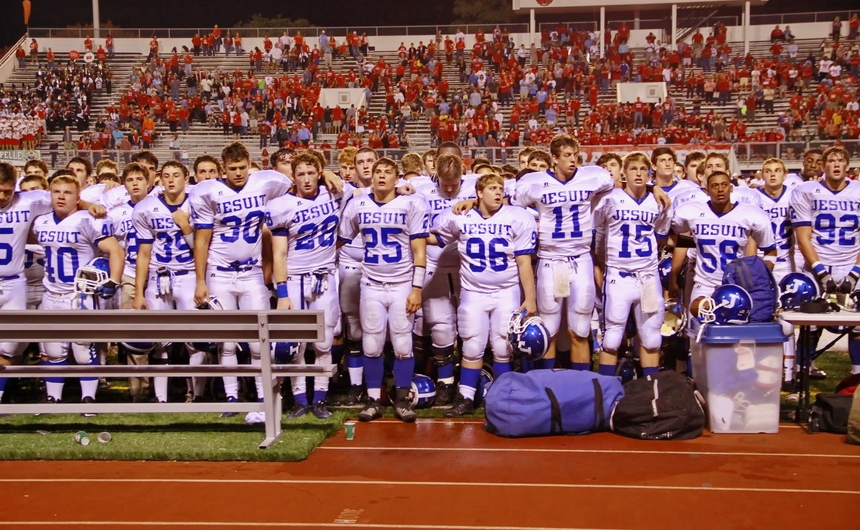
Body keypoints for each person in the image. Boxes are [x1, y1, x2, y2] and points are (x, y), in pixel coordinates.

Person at [189, 142, 291, 419]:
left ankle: (262, 397)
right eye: (232, 169)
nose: (237, 173)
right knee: (227, 342)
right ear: (223, 168)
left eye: (242, 168)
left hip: (252, 273)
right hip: (220, 273)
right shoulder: (208, 191)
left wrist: (329, 175)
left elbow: (301, 184)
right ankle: (232, 396)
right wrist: (200, 280)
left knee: (260, 341)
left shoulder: (267, 182)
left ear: (250, 164)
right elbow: (201, 239)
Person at [430, 172, 537, 416]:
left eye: (500, 188)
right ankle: (465, 397)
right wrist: (408, 230)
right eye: (492, 188)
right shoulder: (460, 216)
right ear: (479, 193)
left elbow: (523, 262)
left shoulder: (517, 217)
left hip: (505, 290)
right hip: (473, 291)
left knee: (502, 347)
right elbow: (436, 238)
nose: (498, 192)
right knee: (472, 345)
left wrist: (529, 297)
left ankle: (502, 396)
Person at [510, 134, 616, 370]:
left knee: (580, 327)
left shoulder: (593, 177)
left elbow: (617, 186)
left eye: (575, 155)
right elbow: (513, 209)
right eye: (567, 155)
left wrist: (651, 187)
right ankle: (549, 384)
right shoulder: (534, 182)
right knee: (549, 327)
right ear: (554, 159)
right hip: (550, 260)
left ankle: (582, 384)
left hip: (581, 258)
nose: (573, 160)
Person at [338, 157, 430, 423]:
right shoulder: (357, 205)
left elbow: (419, 250)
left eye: (388, 172)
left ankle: (402, 400)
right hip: (371, 284)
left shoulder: (411, 202)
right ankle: (372, 399)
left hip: (402, 283)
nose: (381, 176)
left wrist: (417, 287)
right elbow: (341, 240)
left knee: (402, 343)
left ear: (396, 177)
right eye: (378, 171)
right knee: (372, 343)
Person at [32, 174, 124, 409]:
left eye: (68, 192)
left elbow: (116, 251)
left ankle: (88, 399)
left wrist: (113, 281)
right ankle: (53, 399)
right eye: (57, 192)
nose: (61, 197)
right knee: (53, 351)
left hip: (80, 294)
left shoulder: (88, 220)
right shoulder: (40, 221)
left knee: (83, 349)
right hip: (51, 293)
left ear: (78, 198)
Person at [267, 152, 344, 421]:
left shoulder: (334, 193)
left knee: (323, 344)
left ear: (320, 172)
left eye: (312, 172)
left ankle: (320, 398)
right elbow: (279, 254)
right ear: (294, 176)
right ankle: (300, 399)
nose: (307, 179)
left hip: (324, 275)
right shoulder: (282, 206)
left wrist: (331, 175)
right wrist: (282, 292)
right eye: (301, 174)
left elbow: (365, 193)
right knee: (296, 345)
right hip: (296, 278)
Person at [594, 153, 672, 378]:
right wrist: (599, 265)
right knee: (611, 338)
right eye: (633, 169)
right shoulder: (609, 198)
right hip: (618, 274)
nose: (638, 173)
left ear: (650, 173)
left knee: (652, 338)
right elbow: (596, 233)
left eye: (642, 169)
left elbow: (661, 238)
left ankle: (651, 390)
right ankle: (606, 389)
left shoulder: (659, 202)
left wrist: (655, 189)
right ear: (624, 172)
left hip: (647, 275)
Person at [132, 161, 202, 403]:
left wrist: (186, 228)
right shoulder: (146, 207)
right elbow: (143, 252)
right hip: (158, 276)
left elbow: (203, 247)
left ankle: (197, 394)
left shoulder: (197, 202)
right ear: (159, 179)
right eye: (166, 176)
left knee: (196, 339)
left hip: (188, 274)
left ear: (186, 178)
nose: (171, 180)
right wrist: (139, 292)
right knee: (159, 341)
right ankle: (160, 397)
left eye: (176, 175)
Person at [791, 146, 860, 376]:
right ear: (823, 166)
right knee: (812, 322)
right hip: (818, 262)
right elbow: (803, 236)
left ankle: (857, 375)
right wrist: (820, 272)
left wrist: (855, 272)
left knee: (858, 322)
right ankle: (802, 373)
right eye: (831, 160)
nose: (837, 164)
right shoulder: (806, 191)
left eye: (841, 160)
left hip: (852, 261)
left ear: (848, 166)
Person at [670, 170, 776, 311]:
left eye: (724, 185)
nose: (720, 189)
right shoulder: (691, 212)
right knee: (700, 329)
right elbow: (674, 238)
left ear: (731, 188)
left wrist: (757, 277)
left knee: (733, 329)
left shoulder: (750, 214)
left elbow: (770, 250)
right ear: (706, 191)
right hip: (704, 286)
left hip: (737, 285)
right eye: (714, 186)